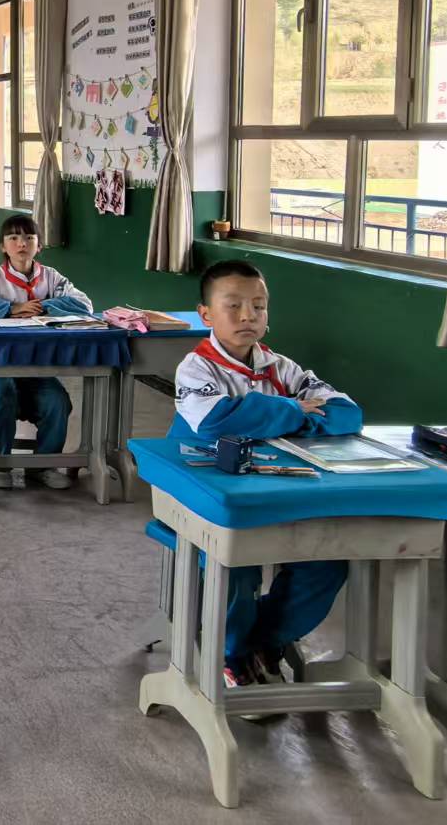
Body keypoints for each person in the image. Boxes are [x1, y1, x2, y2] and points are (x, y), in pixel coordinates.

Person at [174, 259, 362, 690]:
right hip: (213, 498)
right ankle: (231, 654)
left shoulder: (281, 368)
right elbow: (217, 420)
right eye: (233, 305)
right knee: (236, 566)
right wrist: (293, 410)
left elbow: (347, 413)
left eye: (258, 306)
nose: (248, 316)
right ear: (206, 314)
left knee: (327, 563)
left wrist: (269, 414)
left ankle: (262, 643)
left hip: (281, 492)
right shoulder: (196, 368)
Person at [0, 213, 93, 489]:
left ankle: (42, 465)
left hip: (35, 367)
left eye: (29, 237)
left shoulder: (51, 277)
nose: (22, 244)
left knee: (57, 402)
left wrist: (44, 306)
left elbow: (84, 304)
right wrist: (10, 308)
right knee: (2, 394)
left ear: (39, 245)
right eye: (13, 238)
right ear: (2, 246)